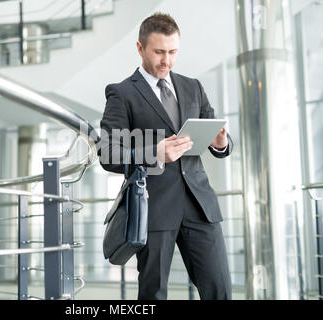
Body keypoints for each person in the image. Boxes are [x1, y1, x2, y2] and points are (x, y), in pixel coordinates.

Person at [98, 12, 233, 300]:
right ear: (140, 48)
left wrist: (220, 143)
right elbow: (107, 153)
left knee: (220, 289)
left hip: (200, 206)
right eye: (159, 52)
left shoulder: (192, 86)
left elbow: (216, 137)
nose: (166, 60)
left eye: (173, 52)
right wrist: (154, 153)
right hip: (154, 207)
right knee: (153, 294)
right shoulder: (122, 93)